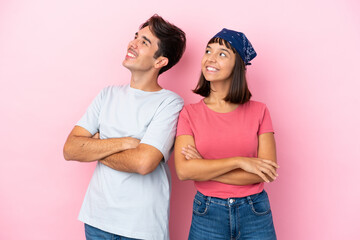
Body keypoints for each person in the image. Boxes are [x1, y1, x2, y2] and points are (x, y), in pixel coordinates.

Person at [63, 14, 186, 240]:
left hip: (140, 227)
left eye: (144, 42)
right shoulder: (107, 94)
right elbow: (70, 149)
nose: (133, 43)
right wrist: (126, 143)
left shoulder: (170, 102)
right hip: (96, 220)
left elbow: (143, 163)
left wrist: (96, 146)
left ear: (160, 62)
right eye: (136, 37)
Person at [174, 28, 278, 239]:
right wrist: (240, 161)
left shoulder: (260, 111)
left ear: (237, 65)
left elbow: (266, 173)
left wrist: (203, 166)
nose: (211, 58)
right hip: (207, 212)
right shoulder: (189, 113)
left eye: (222, 54)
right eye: (208, 51)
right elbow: (184, 171)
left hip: (255, 212)